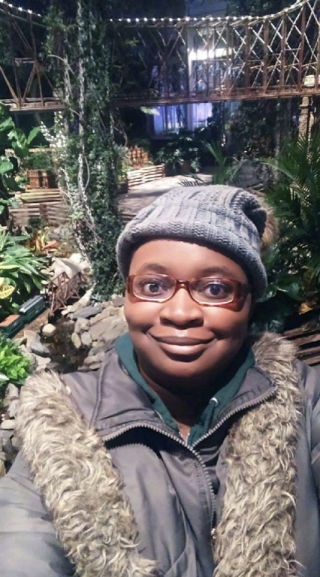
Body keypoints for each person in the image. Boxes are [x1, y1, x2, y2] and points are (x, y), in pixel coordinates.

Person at [0, 185, 320, 577]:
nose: (180, 312)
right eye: (153, 286)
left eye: (215, 289)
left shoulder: (306, 402)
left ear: (250, 301)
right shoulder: (59, 423)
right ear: (127, 296)